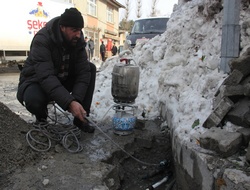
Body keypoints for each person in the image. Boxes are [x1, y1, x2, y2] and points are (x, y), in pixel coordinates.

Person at [16, 8, 96, 133]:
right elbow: (46, 77)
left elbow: (83, 72)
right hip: (36, 81)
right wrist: (69, 103)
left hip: (60, 78)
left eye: (80, 30)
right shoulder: (42, 40)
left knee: (90, 68)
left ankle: (81, 118)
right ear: (62, 27)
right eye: (74, 30)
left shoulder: (78, 41)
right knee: (34, 101)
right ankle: (41, 118)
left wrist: (76, 100)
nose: (78, 35)